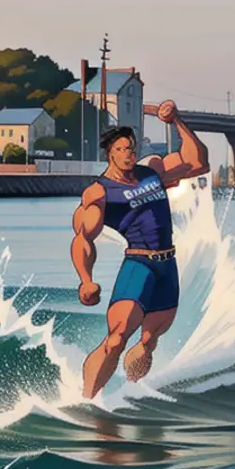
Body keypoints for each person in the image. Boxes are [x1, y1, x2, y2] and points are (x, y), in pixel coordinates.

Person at [71, 100, 209, 399]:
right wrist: (85, 279)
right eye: (121, 149)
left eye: (132, 148)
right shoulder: (100, 192)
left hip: (167, 267)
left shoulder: (152, 172)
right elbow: (83, 237)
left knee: (148, 342)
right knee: (117, 338)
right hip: (139, 265)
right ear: (111, 153)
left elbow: (200, 163)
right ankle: (87, 401)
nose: (129, 154)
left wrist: (178, 121)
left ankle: (128, 394)